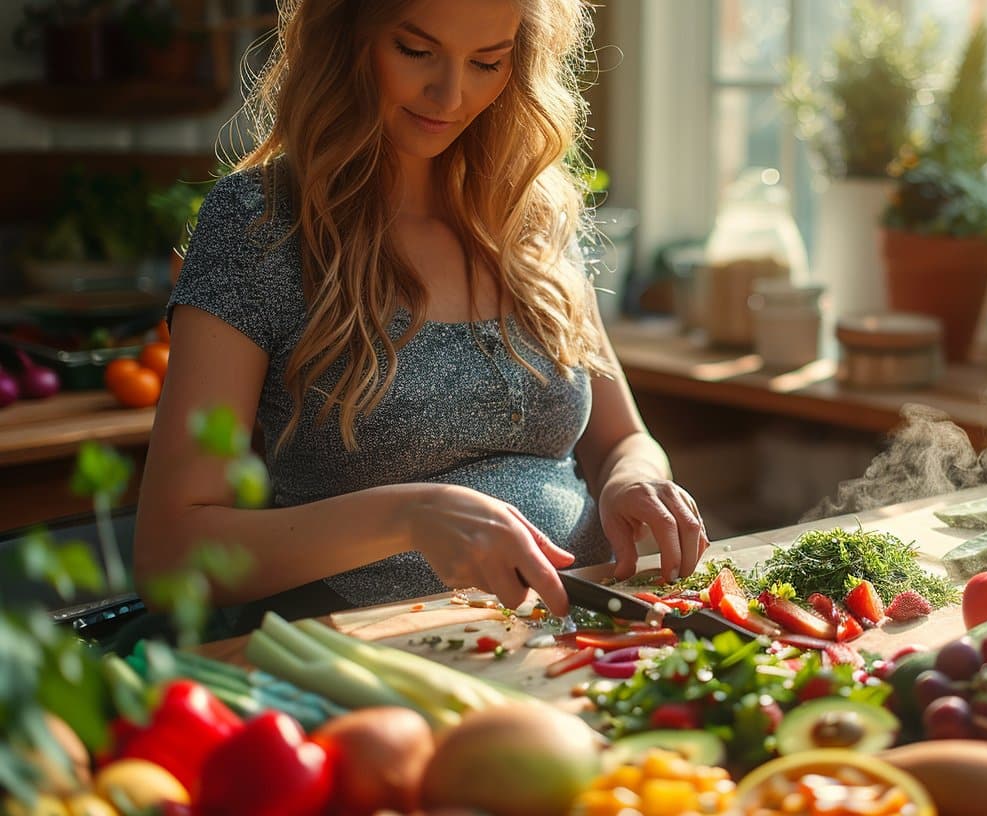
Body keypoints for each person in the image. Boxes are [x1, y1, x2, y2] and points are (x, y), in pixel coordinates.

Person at [132, 0, 708, 623]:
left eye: (487, 62)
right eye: (415, 51)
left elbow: (621, 439)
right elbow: (171, 555)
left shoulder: (528, 214)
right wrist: (408, 517)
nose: (450, 95)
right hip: (386, 650)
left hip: (586, 628)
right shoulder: (260, 225)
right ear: (345, 35)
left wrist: (633, 479)